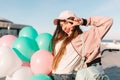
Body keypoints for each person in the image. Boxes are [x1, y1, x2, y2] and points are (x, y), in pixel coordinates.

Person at [50, 10, 113, 80]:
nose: (63, 27)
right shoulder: (61, 38)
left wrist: (84, 21)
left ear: (73, 21)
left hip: (65, 77)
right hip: (54, 75)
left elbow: (108, 21)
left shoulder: (82, 38)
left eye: (66, 23)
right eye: (61, 25)